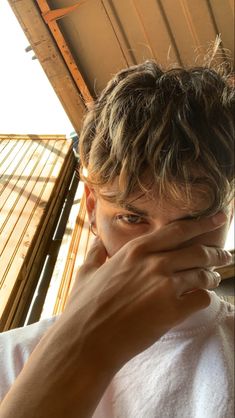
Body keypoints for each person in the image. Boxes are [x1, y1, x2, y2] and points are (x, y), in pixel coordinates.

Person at [0, 60, 234, 418]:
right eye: (132, 218)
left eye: (194, 220)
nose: (161, 250)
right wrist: (82, 344)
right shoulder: (9, 359)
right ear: (92, 210)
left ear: (228, 214)